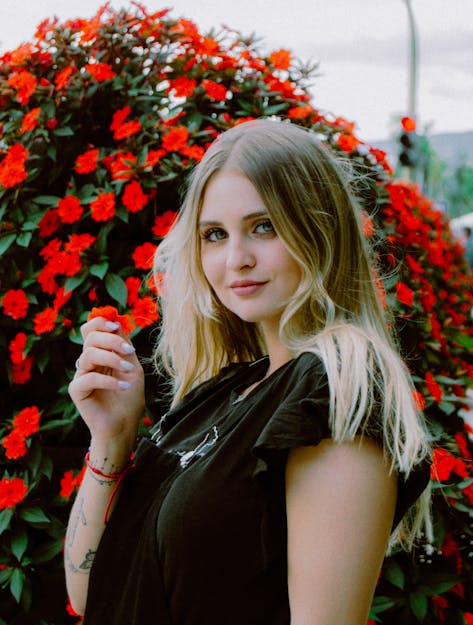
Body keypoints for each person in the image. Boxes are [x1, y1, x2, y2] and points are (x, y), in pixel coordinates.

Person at [65, 119, 432, 625]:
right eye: (215, 235)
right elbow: (91, 592)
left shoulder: (332, 391)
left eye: (264, 226)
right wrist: (113, 437)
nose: (236, 259)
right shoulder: (224, 392)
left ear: (319, 228)